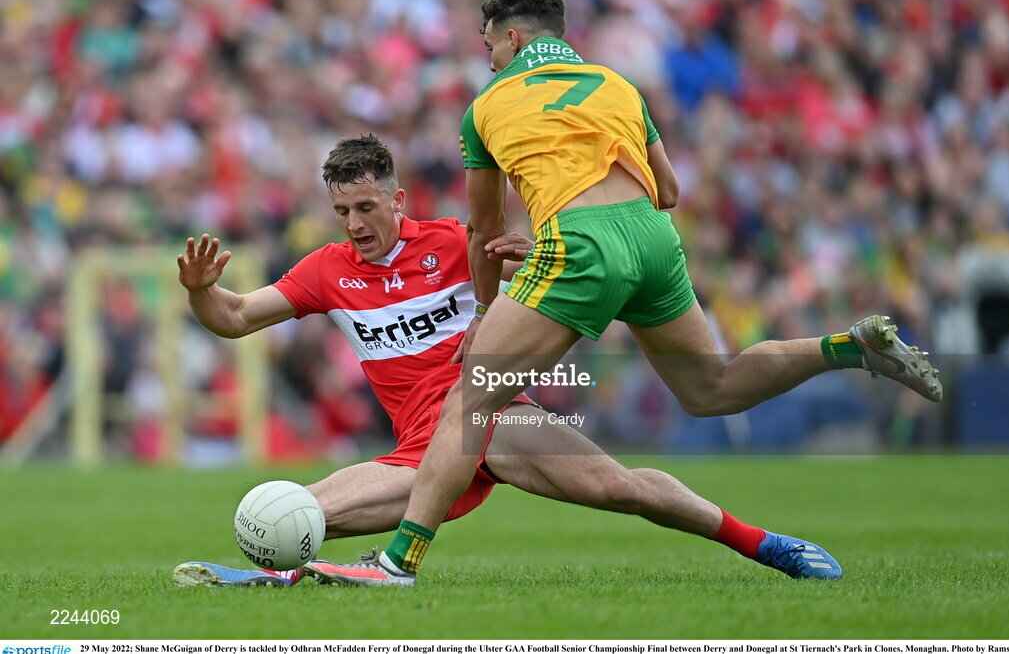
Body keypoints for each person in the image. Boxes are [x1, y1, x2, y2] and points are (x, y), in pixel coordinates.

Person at [320, 0, 941, 587]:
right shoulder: (617, 84)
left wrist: (485, 309)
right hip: (653, 239)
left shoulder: (486, 106)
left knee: (469, 398)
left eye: (489, 47)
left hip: (580, 245)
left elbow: (484, 229)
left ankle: (396, 564)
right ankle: (847, 348)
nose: (489, 60)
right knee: (712, 388)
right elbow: (668, 192)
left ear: (511, 39)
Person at [172, 134, 842, 588]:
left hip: (494, 415)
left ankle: (765, 544)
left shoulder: (457, 243)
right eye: (342, 210)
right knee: (287, 516)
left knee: (623, 490)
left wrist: (535, 262)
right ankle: (282, 575)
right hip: (420, 453)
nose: (353, 222)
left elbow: (536, 291)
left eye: (366, 206)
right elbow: (233, 318)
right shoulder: (326, 271)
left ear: (397, 200)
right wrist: (203, 292)